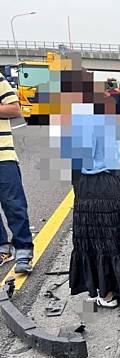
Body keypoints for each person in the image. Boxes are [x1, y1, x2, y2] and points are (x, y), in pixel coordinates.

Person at [63, 74, 120, 308]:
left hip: (91, 186)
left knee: (93, 240)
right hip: (111, 183)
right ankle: (112, 289)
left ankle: (103, 292)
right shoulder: (110, 117)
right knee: (114, 238)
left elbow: (77, 159)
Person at [0, 73, 33, 273]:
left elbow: (15, 108)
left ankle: (23, 251)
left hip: (3, 157)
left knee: (14, 206)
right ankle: (3, 248)